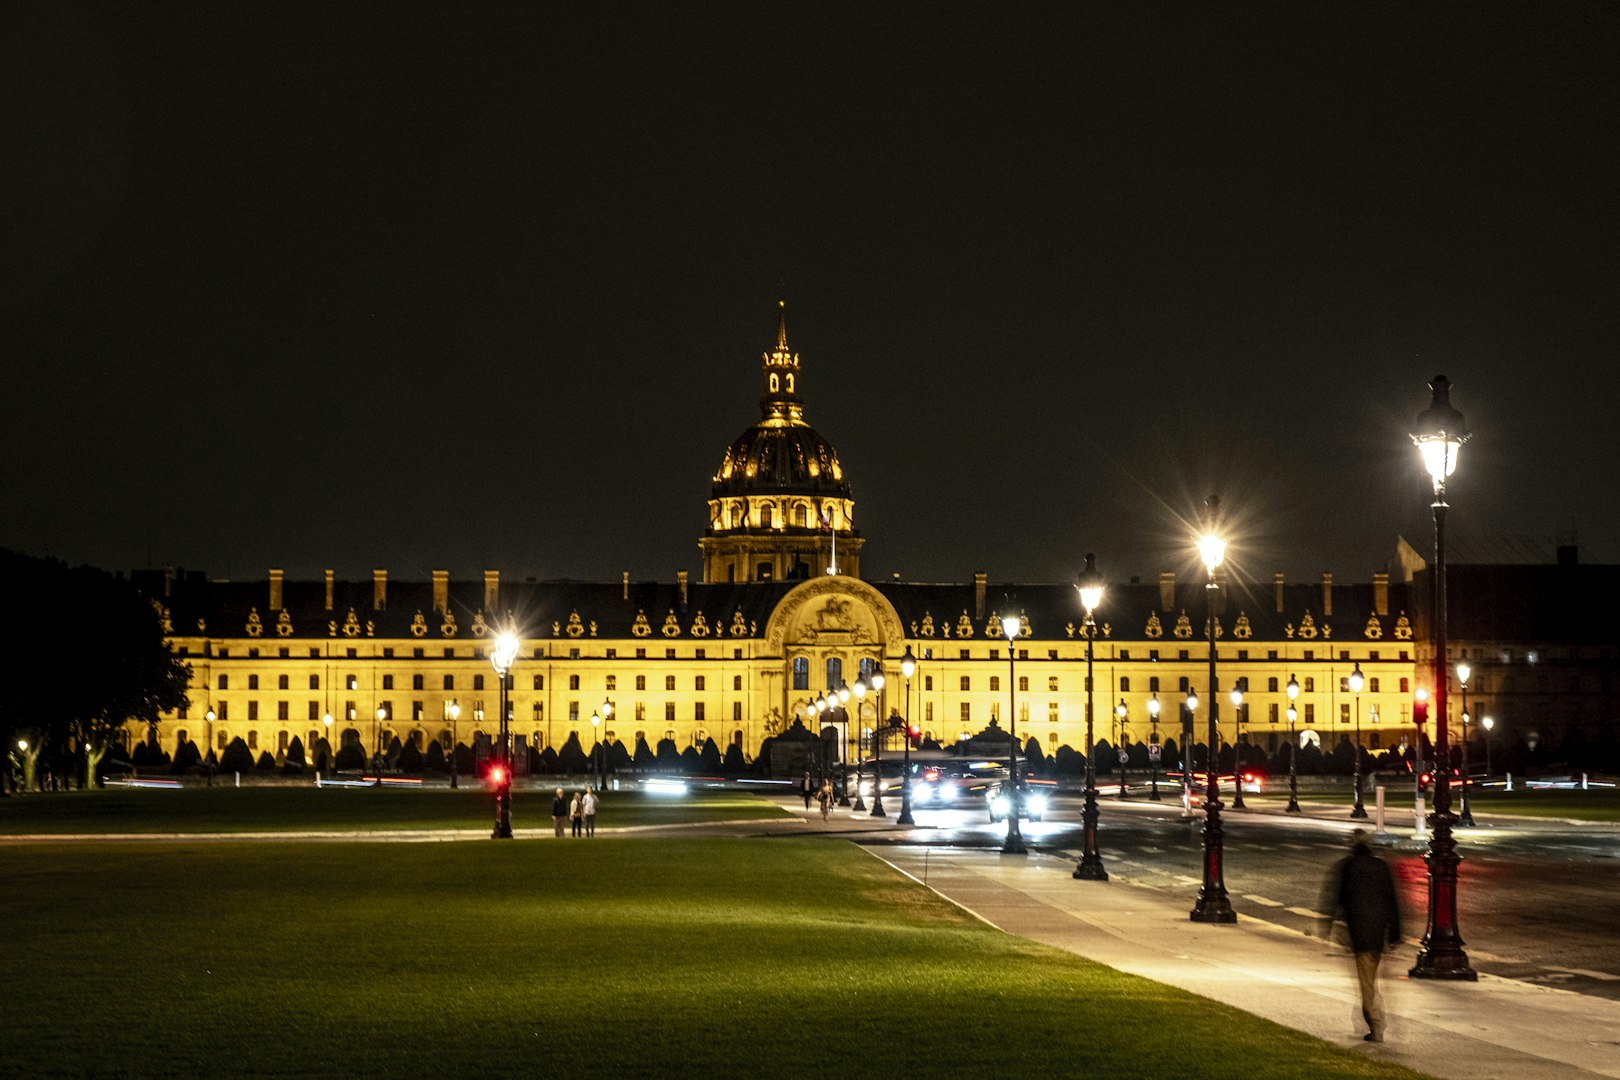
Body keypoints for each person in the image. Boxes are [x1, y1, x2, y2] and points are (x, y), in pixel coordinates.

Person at [1319, 829, 1403, 1043]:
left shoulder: (1347, 866)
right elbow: (1391, 899)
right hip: (1379, 933)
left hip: (1359, 933)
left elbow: (1334, 898)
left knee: (1366, 983)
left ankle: (1375, 1021)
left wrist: (1326, 927)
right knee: (1371, 978)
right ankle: (1372, 1016)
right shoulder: (1380, 866)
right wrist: (1395, 932)